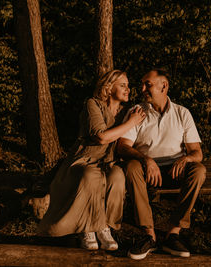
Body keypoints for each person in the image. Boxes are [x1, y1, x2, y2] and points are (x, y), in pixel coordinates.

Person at [38, 70, 146, 251]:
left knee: (118, 176)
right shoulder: (93, 104)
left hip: (108, 162)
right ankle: (87, 228)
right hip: (84, 160)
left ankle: (104, 226)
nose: (128, 89)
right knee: (90, 175)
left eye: (127, 85)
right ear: (108, 87)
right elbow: (101, 137)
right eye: (122, 85)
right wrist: (131, 123)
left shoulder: (126, 112)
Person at [117, 69, 206, 260]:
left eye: (147, 84)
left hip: (175, 170)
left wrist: (186, 159)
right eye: (142, 84)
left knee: (199, 170)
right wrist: (146, 160)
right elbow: (123, 147)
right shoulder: (137, 112)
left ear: (163, 86)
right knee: (131, 167)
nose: (142, 89)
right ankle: (149, 235)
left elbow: (197, 153)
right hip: (145, 169)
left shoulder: (182, 113)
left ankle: (173, 234)